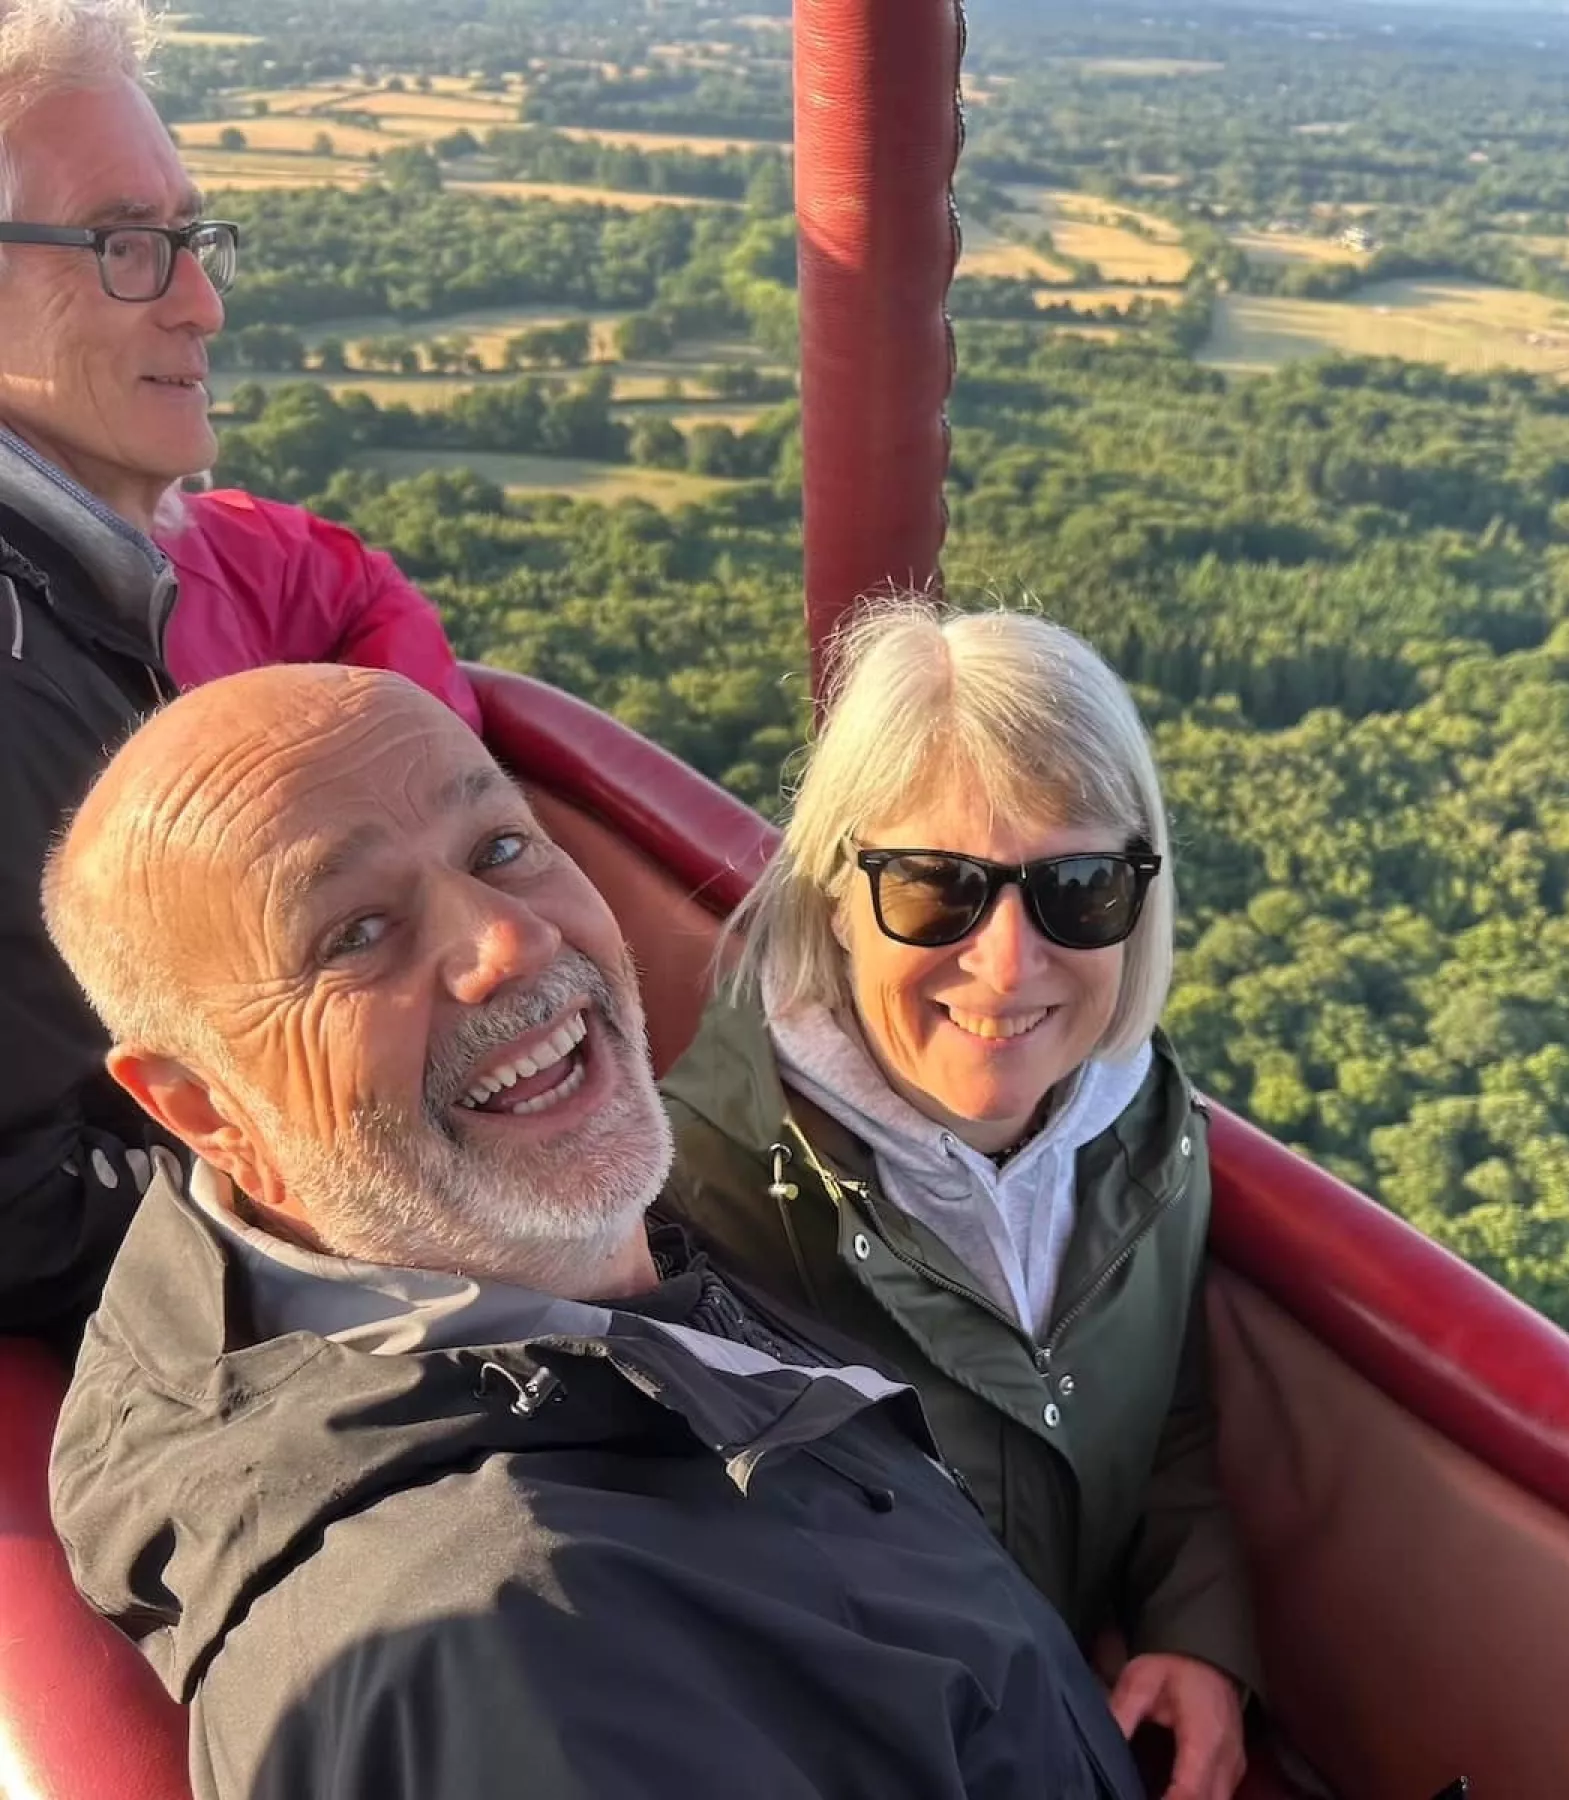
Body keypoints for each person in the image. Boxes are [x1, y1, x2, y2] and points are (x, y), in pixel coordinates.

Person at [44, 663, 1146, 1800]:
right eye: (357, 932)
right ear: (204, 1108)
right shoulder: (510, 1657)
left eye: (501, 849)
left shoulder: (548, 1264)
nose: (509, 944)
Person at [661, 604, 1259, 1800]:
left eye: (1077, 887)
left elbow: (1169, 1413)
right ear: (834, 889)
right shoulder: (695, 1206)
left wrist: (1197, 1633)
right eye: (936, 887)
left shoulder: (1144, 1136)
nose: (1006, 962)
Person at [0, 0, 474, 1347]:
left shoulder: (86, 595)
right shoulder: (20, 686)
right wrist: (411, 1199)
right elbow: (24, 1203)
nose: (203, 302)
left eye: (192, 240)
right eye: (125, 247)